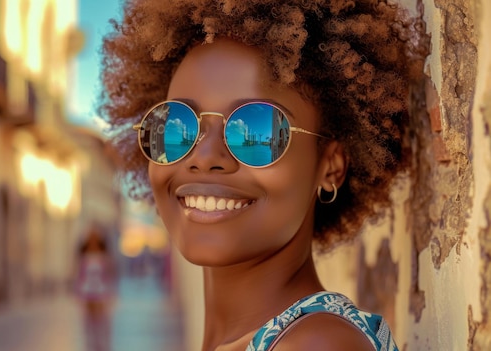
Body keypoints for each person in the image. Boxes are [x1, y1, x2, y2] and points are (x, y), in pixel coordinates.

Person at [99, 1, 428, 350]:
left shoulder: (315, 344)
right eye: (176, 125)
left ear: (331, 165)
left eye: (258, 128)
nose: (205, 157)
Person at [73, 224, 117, 351]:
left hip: (101, 291)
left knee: (102, 320)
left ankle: (102, 345)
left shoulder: (104, 257)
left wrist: (110, 292)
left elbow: (108, 274)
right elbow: (80, 275)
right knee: (88, 321)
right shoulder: (83, 257)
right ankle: (90, 345)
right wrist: (78, 292)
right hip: (87, 291)